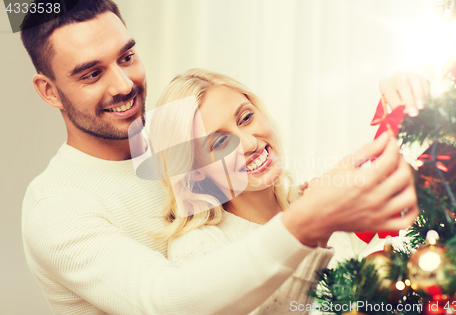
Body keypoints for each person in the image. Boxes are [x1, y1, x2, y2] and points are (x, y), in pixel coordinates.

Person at [20, 0, 425, 314]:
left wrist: (402, 116)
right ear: (49, 90)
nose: (124, 84)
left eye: (126, 57)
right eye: (92, 73)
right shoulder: (57, 205)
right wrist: (309, 222)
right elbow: (164, 302)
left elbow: (261, 206)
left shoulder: (171, 133)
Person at [149, 68, 393, 314]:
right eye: (221, 142)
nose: (250, 143)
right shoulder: (196, 249)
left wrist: (406, 112)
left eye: (245, 118)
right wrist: (313, 230)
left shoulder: (312, 197)